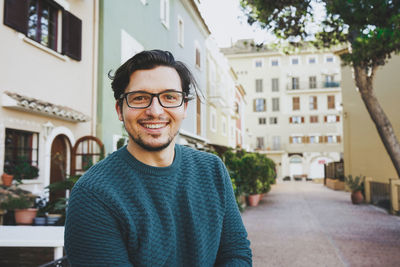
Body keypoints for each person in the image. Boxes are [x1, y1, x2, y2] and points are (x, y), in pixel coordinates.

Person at [64, 50, 252, 266]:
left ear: (184, 108)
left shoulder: (212, 170)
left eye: (169, 97)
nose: (155, 111)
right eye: (140, 98)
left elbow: (236, 254)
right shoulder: (94, 195)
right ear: (119, 109)